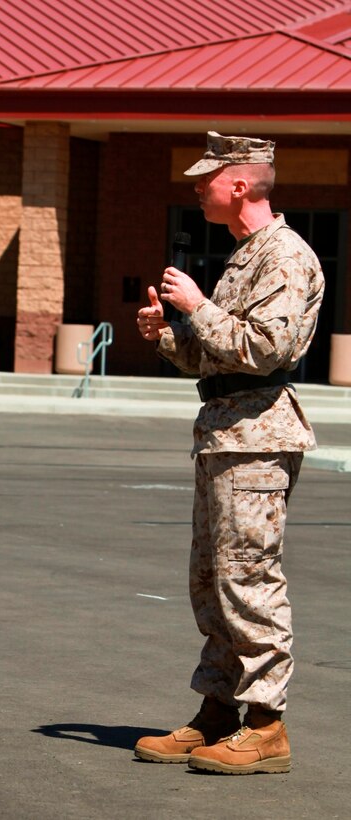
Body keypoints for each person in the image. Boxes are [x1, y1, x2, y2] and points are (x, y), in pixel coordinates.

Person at [133, 132, 324, 774]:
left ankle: (266, 725)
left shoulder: (286, 257)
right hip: (223, 430)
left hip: (259, 435)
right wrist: (169, 333)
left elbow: (266, 350)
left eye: (206, 178)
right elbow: (216, 350)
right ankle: (219, 709)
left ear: (238, 184)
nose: (196, 188)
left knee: (248, 575)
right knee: (212, 579)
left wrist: (197, 305)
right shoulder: (245, 257)